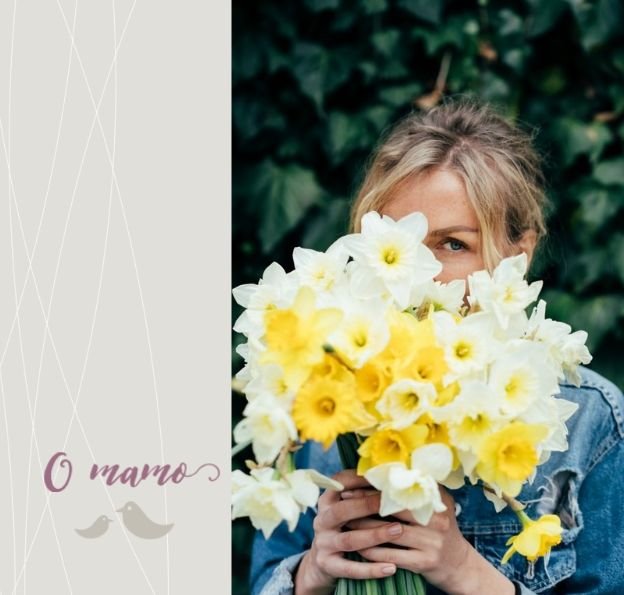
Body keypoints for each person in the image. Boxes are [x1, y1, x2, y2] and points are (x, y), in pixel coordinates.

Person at [248, 97, 624, 595]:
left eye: (453, 245)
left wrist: (464, 571)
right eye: (397, 245)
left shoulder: (589, 420)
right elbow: (264, 578)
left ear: (520, 255)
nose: (417, 280)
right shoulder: (325, 400)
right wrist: (313, 574)